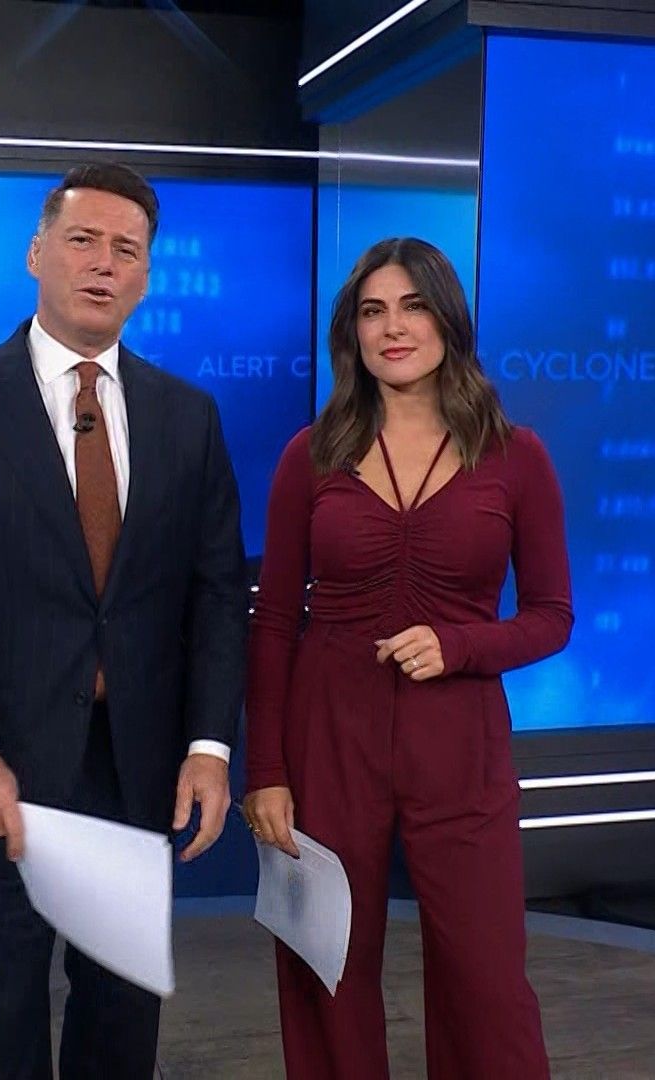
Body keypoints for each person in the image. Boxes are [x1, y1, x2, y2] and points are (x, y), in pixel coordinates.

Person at [0, 163, 248, 1080]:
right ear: (37, 253)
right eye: (83, 240)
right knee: (0, 1016)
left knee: (122, 1018)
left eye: (127, 249)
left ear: (147, 277)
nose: (103, 263)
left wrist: (209, 746)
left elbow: (214, 594)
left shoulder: (188, 418)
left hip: (135, 769)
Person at [241, 237, 573, 1078]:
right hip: (328, 736)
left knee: (487, 983)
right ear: (351, 333)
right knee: (327, 968)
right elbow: (273, 622)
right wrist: (267, 770)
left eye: (413, 307)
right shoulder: (310, 455)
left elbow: (551, 618)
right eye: (373, 311)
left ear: (448, 320)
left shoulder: (518, 457)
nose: (393, 328)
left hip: (460, 738)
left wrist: (460, 645)